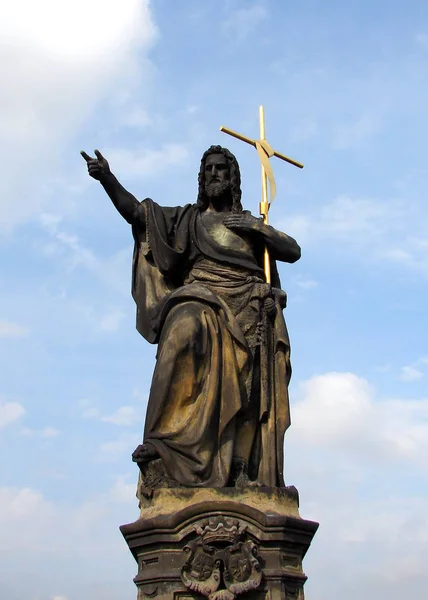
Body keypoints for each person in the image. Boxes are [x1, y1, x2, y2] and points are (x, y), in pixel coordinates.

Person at [81, 145, 301, 488]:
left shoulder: (249, 224)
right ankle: (163, 446)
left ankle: (238, 465)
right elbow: (139, 214)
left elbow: (293, 250)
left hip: (248, 306)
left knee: (246, 386)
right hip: (200, 298)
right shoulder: (188, 219)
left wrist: (258, 229)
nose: (214, 174)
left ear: (233, 178)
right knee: (182, 327)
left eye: (221, 170)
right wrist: (107, 178)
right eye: (208, 170)